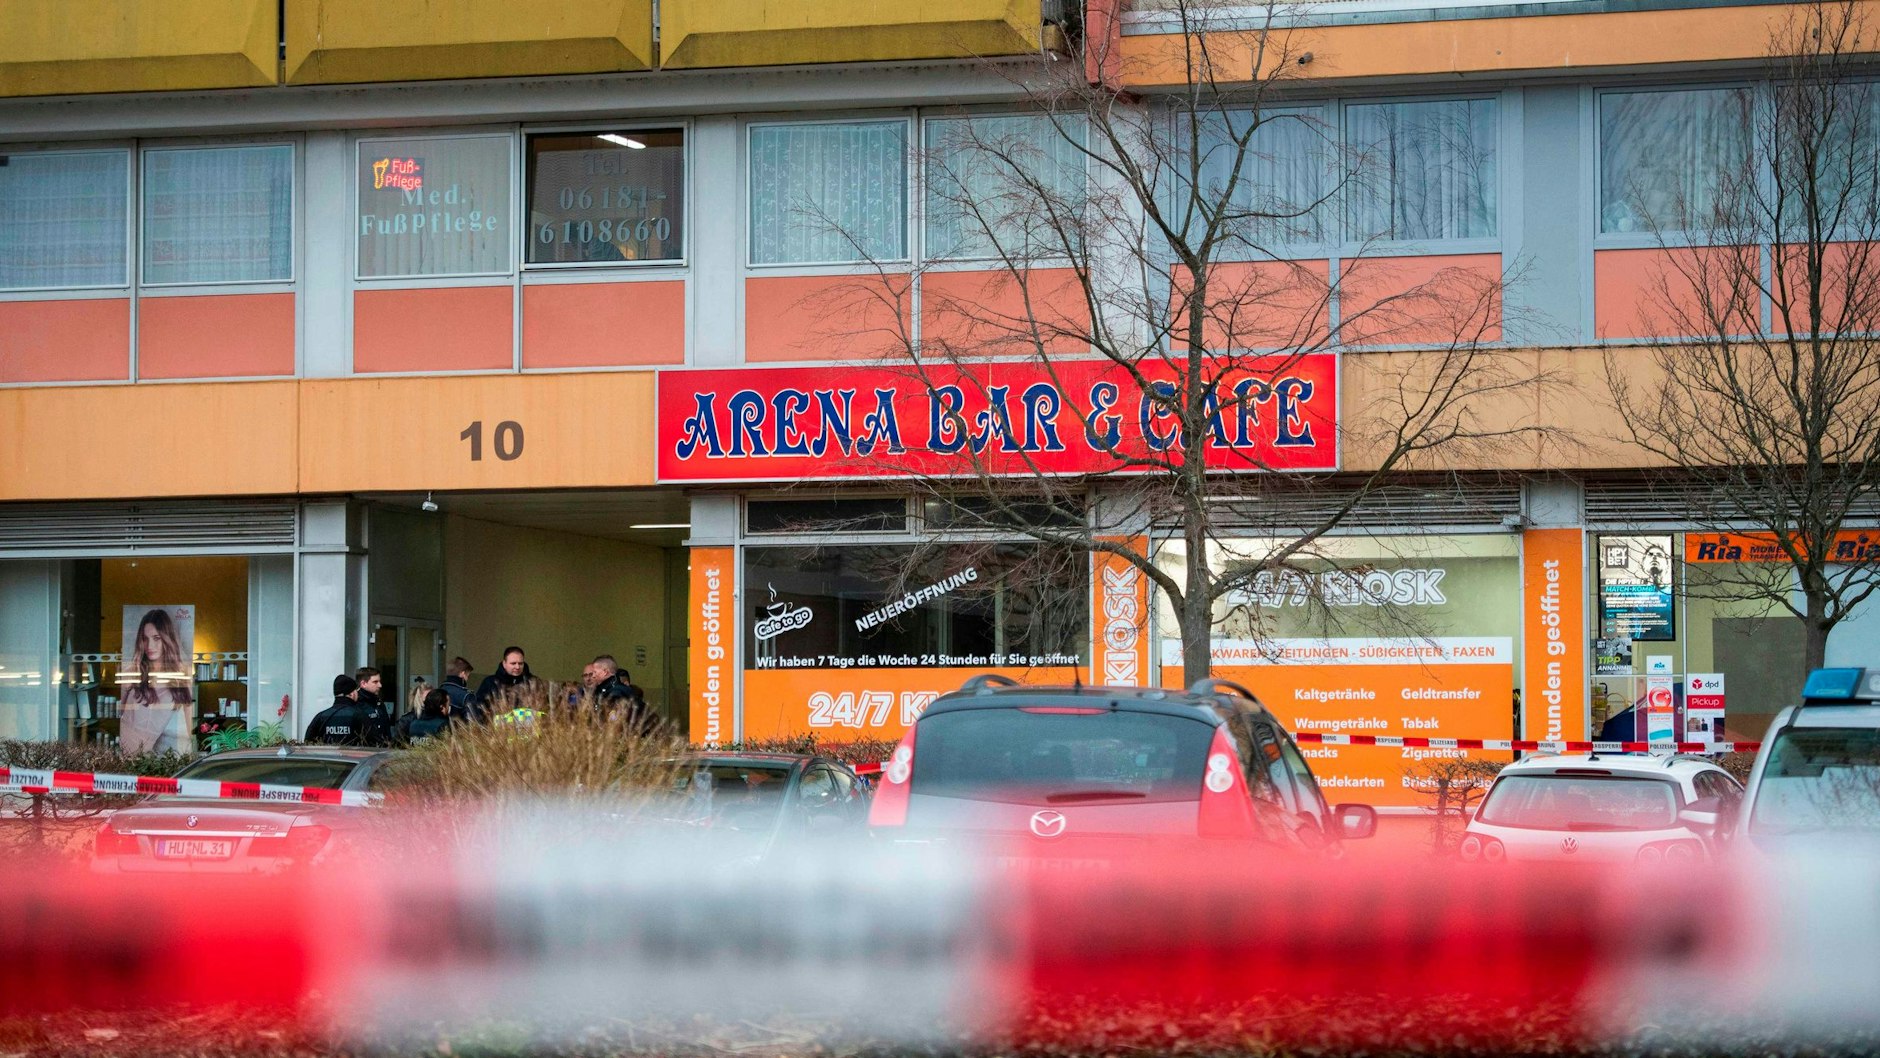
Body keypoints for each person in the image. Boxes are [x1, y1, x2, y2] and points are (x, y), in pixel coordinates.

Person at [118, 607, 193, 754]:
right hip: (126, 754)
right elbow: (119, 716)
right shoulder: (133, 674)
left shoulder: (180, 678)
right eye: (145, 639)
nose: (149, 646)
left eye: (156, 638)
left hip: (156, 757)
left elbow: (189, 732)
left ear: (167, 639)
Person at [305, 674, 385, 746]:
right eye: (356, 690)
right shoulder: (358, 715)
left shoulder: (321, 717)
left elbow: (308, 743)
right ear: (351, 694)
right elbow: (376, 742)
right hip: (353, 761)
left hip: (327, 761)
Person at [586, 654, 654, 732]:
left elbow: (615, 722)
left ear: (605, 672)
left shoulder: (616, 693)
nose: (593, 676)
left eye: (595, 672)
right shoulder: (606, 691)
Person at [475, 646, 538, 711]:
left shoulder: (533, 683)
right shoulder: (490, 683)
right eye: (513, 663)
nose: (517, 667)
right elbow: (478, 709)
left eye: (520, 663)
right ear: (504, 663)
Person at [440, 656, 479, 724]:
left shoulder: (438, 691)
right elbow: (473, 723)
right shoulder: (467, 696)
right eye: (467, 676)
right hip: (460, 733)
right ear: (462, 674)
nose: (467, 679)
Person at [355, 666, 389, 732]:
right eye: (375, 682)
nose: (380, 685)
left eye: (379, 681)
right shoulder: (356, 703)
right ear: (363, 683)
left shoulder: (378, 703)